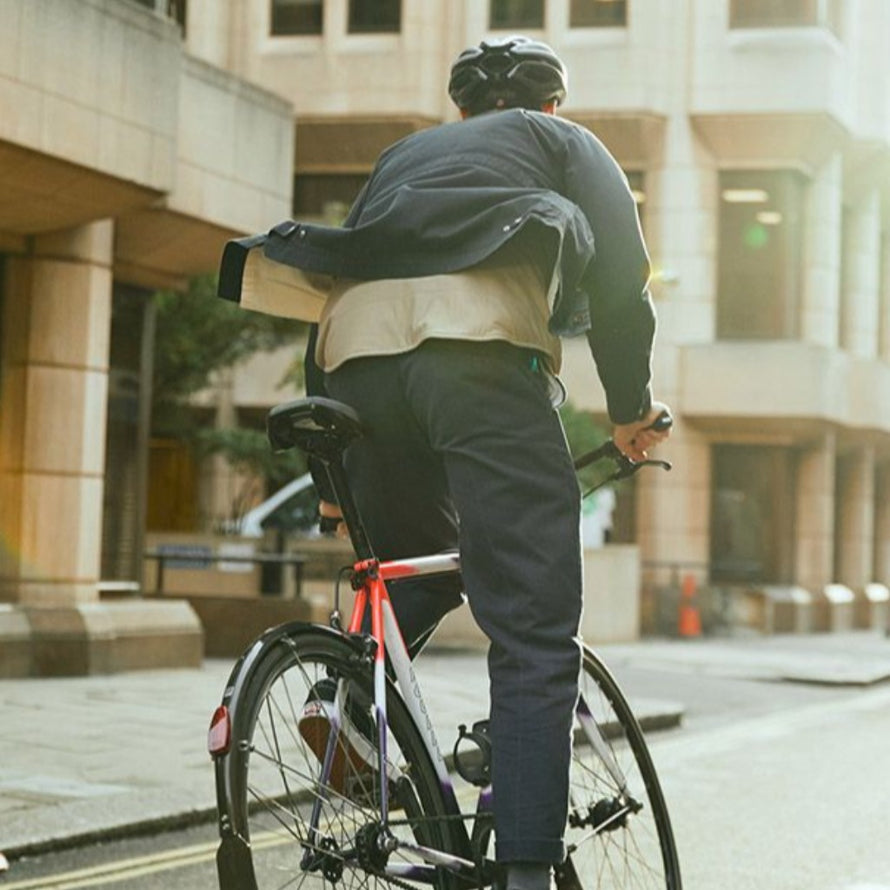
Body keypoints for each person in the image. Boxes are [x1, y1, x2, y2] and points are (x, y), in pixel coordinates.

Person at [219, 35, 670, 890]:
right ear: (550, 104)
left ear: (460, 109)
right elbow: (622, 279)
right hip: (477, 357)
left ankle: (344, 703)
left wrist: (332, 485)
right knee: (533, 627)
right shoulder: (562, 141)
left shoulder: (405, 156)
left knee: (420, 560)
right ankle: (528, 873)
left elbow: (345, 274)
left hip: (352, 364)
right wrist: (629, 410)